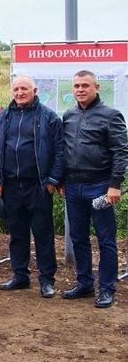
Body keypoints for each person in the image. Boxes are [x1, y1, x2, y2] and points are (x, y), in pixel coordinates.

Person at [0, 76, 62, 298]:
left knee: (43, 234)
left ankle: (47, 280)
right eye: (16, 89)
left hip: (38, 186)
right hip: (11, 185)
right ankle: (20, 275)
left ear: (34, 90)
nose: (20, 93)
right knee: (17, 234)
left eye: (24, 89)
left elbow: (60, 152)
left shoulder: (48, 118)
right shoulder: (4, 118)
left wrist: (52, 182)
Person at [61, 70, 128, 309]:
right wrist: (61, 180)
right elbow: (64, 151)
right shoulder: (68, 115)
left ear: (96, 87)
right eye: (77, 85)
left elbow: (121, 152)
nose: (80, 89)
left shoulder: (111, 116)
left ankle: (107, 289)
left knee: (106, 240)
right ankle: (85, 283)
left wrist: (115, 185)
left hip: (100, 187)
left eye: (85, 85)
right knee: (78, 238)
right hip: (73, 187)